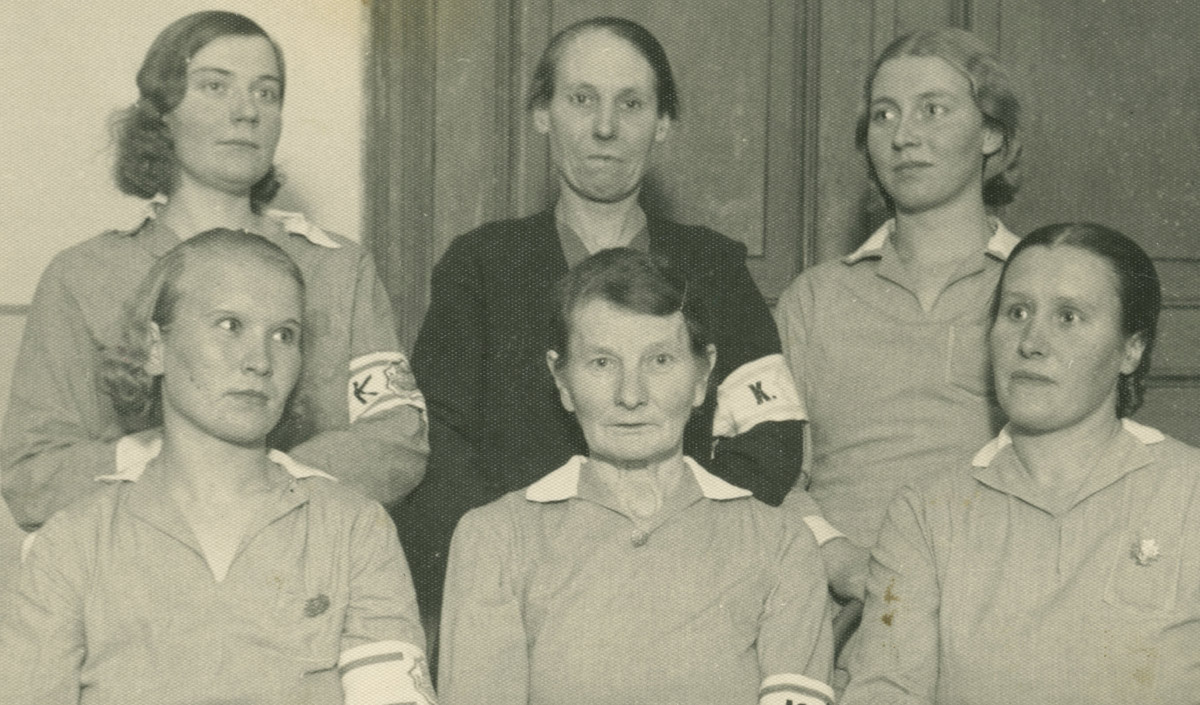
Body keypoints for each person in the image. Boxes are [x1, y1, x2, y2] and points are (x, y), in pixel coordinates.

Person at [402, 16, 804, 626]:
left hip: (686, 587)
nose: (605, 127)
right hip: (524, 592)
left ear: (663, 123)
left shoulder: (714, 267)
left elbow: (769, 436)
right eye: (581, 99)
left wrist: (683, 548)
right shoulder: (480, 266)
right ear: (542, 114)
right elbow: (442, 444)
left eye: (632, 103)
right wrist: (519, 562)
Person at [1, 11, 426, 532]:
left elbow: (396, 440)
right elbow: (32, 475)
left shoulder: (338, 268)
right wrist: (180, 472)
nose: (247, 112)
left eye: (266, 93)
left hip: (302, 546)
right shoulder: (85, 275)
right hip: (138, 554)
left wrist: (263, 484)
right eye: (214, 86)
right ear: (162, 114)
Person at [0, 229, 436, 705]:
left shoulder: (354, 529)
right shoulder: (73, 541)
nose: (260, 361)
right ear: (155, 347)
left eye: (284, 335)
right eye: (230, 325)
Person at [438, 248, 833, 705]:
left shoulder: (780, 544)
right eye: (602, 363)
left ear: (701, 377)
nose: (631, 395)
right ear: (562, 382)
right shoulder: (495, 537)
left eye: (660, 360)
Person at [842, 222, 1200, 703]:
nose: (1031, 342)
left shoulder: (1188, 492)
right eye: (1017, 312)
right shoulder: (927, 513)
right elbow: (886, 690)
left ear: (1130, 350)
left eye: (1068, 317)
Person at [774, 27, 1023, 606]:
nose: (904, 136)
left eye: (933, 110)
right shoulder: (815, 298)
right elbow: (769, 472)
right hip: (834, 601)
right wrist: (841, 563)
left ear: (991, 133)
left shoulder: (1035, 290)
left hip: (991, 597)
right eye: (884, 115)